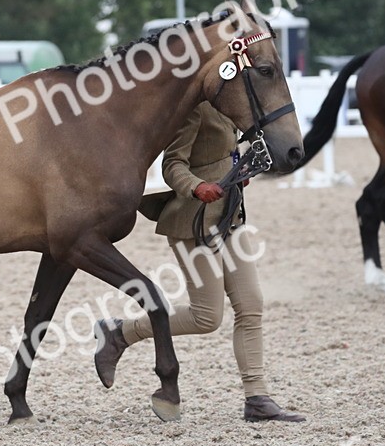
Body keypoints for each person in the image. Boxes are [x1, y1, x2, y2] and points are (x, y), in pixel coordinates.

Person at [94, 101, 304, 422]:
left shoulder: (235, 105)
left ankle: (257, 398)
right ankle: (120, 332)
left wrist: (239, 170)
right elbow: (173, 163)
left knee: (251, 305)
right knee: (207, 317)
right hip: (194, 222)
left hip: (231, 216)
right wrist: (197, 186)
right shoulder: (196, 107)